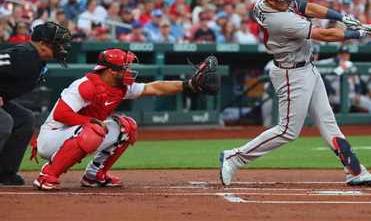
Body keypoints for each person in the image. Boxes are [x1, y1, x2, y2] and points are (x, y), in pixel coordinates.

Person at [220, 0, 371, 187]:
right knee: (288, 131)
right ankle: (235, 157)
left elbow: (305, 6)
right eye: (283, 0)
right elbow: (323, 34)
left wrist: (341, 16)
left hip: (307, 68)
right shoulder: (280, 20)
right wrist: (356, 34)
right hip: (291, 74)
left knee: (328, 122)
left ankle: (355, 171)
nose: (289, 2)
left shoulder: (269, 1)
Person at [32, 50, 219, 190]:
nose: (130, 70)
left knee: (126, 126)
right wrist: (89, 122)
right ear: (112, 71)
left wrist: (189, 85)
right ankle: (47, 175)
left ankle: (94, 175)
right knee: (95, 129)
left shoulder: (120, 87)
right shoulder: (86, 85)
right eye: (125, 67)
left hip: (79, 133)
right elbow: (61, 114)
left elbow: (154, 88)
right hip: (52, 137)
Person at [0, 22, 71, 185]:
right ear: (43, 44)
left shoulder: (34, 58)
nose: (61, 48)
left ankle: (5, 172)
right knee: (4, 121)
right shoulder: (24, 55)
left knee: (25, 119)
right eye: (58, 44)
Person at [328, 45, 371, 114]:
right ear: (338, 55)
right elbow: (327, 82)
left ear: (349, 56)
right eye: (342, 54)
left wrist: (358, 93)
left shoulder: (351, 65)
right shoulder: (332, 65)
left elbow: (357, 83)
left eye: (346, 54)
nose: (344, 56)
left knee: (370, 104)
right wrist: (332, 91)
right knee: (346, 104)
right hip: (336, 96)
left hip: (351, 94)